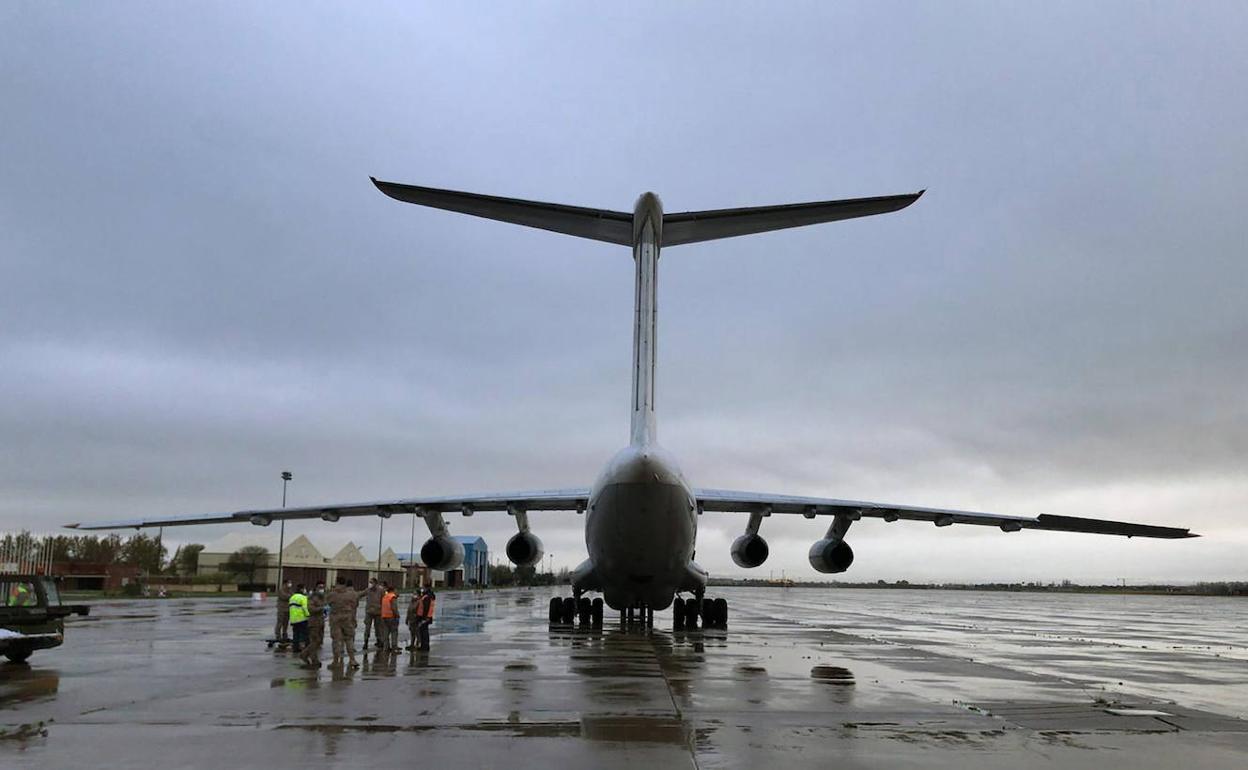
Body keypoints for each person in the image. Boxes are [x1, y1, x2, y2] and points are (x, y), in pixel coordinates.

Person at [326, 577, 360, 669]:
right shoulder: (351, 595)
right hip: (347, 618)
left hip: (335, 618)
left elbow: (328, 603)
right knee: (349, 639)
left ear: (337, 582)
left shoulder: (332, 594)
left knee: (336, 640)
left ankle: (335, 661)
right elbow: (354, 605)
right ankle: (352, 659)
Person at [299, 581, 327, 669]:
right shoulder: (312, 598)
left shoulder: (322, 597)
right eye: (320, 587)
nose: (321, 589)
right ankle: (305, 655)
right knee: (314, 641)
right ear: (316, 588)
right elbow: (311, 609)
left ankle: (313, 658)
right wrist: (321, 608)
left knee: (319, 641)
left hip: (321, 621)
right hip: (314, 622)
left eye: (323, 587)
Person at [361, 577, 384, 649]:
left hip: (378, 612)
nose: (370, 584)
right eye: (369, 582)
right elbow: (360, 594)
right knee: (367, 627)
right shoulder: (367, 590)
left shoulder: (380, 590)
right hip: (369, 612)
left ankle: (379, 640)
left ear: (375, 583)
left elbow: (384, 599)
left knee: (378, 628)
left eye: (371, 582)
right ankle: (366, 642)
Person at [413, 586, 436, 651]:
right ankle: (424, 646)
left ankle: (424, 646)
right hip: (426, 617)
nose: (422, 590)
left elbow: (425, 608)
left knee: (424, 633)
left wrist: (423, 618)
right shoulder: (428, 597)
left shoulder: (426, 597)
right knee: (423, 632)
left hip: (424, 617)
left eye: (423, 589)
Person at [288, 584, 310, 653]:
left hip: (293, 619)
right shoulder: (303, 597)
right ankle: (307, 648)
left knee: (296, 634)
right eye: (304, 589)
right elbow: (305, 608)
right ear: (301, 589)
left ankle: (295, 648)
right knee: (306, 634)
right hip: (302, 618)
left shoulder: (292, 597)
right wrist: (308, 615)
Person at [379, 582, 400, 651]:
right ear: (393, 590)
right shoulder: (392, 597)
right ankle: (394, 648)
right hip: (391, 617)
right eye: (396, 590)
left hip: (384, 616)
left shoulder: (385, 596)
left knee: (386, 633)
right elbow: (394, 608)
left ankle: (386, 647)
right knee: (394, 632)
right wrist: (397, 615)